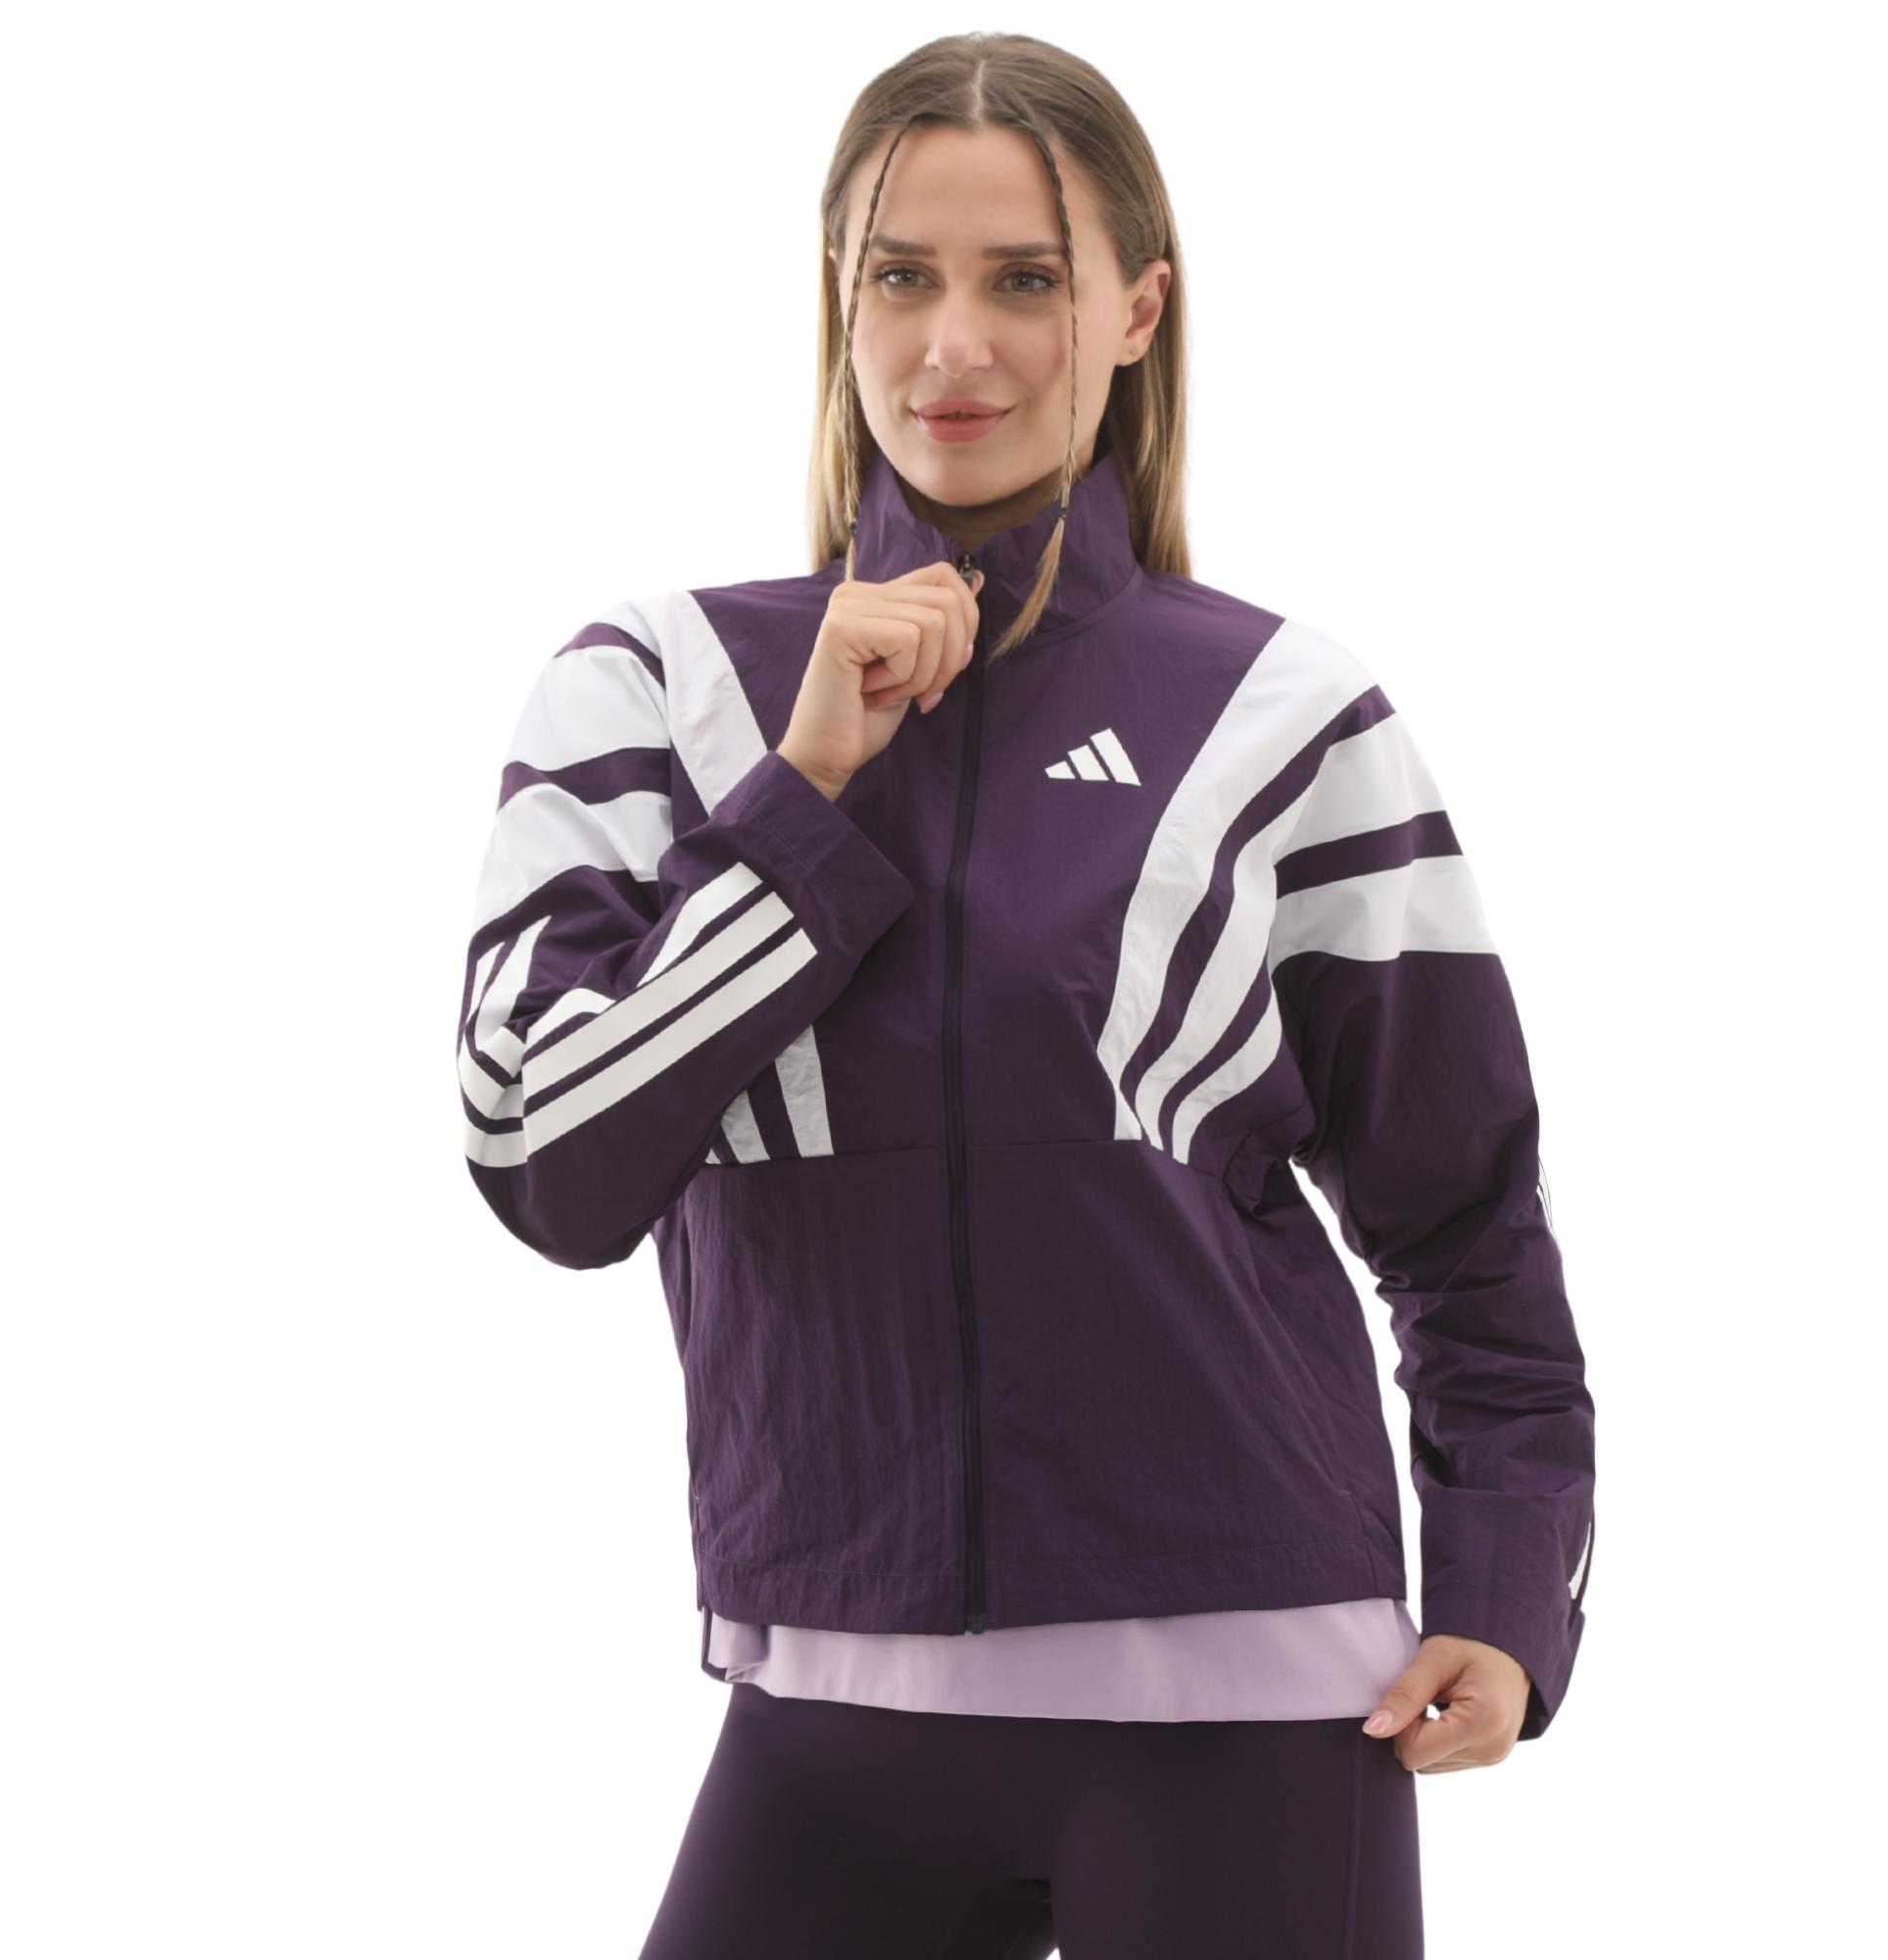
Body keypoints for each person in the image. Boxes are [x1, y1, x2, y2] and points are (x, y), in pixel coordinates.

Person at [455, 31, 1595, 1959]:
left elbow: (1461, 1210)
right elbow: (541, 1155)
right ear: (837, 295)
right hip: (826, 1696)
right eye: (901, 274)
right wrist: (805, 793)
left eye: (1026, 278)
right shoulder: (655, 686)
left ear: (1137, 310)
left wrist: (1504, 1580)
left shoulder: (1287, 716)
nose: (953, 347)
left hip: (1254, 1694)